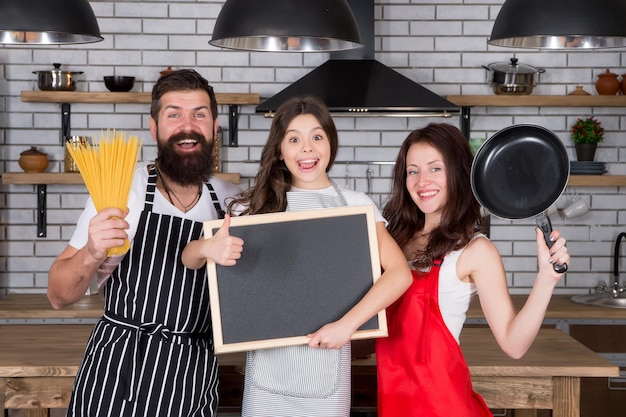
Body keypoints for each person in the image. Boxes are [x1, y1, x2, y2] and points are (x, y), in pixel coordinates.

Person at [182, 95, 412, 417]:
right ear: (279, 150)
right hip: (265, 378)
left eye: (317, 137)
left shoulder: (356, 206)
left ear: (330, 143)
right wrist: (207, 248)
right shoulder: (256, 207)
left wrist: (347, 326)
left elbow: (400, 274)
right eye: (294, 139)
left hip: (326, 376)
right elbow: (188, 257)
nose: (307, 148)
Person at [47, 69, 243, 417]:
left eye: (199, 114)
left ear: (214, 127)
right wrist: (92, 252)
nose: (188, 126)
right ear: (154, 128)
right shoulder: (124, 190)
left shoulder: (230, 201)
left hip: (192, 375)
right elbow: (58, 295)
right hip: (119, 372)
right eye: (174, 115)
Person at [375, 123, 570, 417]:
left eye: (435, 168)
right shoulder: (391, 243)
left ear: (457, 173)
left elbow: (513, 344)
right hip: (394, 407)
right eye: (412, 170)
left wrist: (546, 279)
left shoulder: (475, 250)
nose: (422, 181)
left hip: (446, 408)